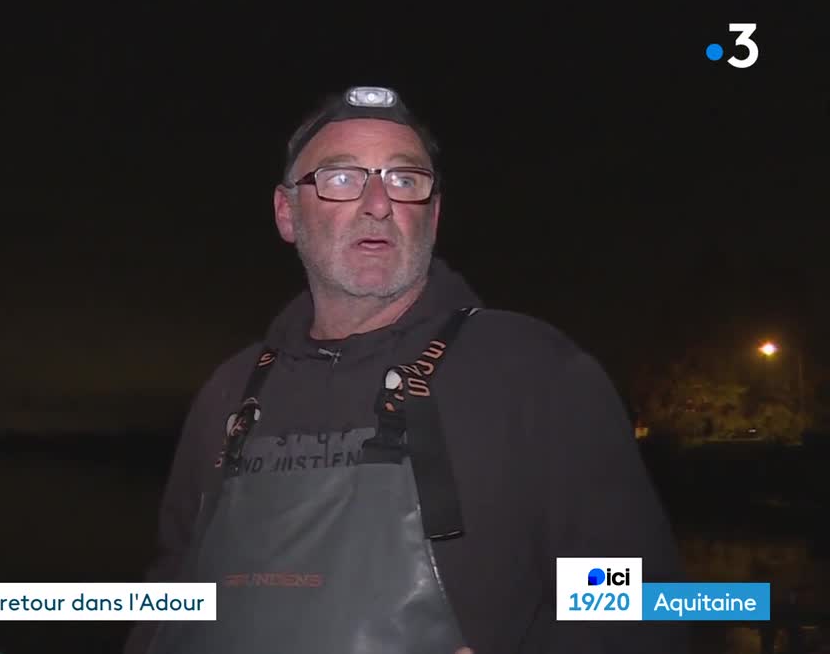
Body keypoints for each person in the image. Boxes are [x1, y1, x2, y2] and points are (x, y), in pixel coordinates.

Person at [123, 86, 689, 654]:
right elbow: (174, 586)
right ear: (286, 213)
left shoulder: (538, 371)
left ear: (433, 215)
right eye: (341, 179)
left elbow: (643, 600)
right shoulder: (230, 390)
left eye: (404, 180)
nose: (378, 203)